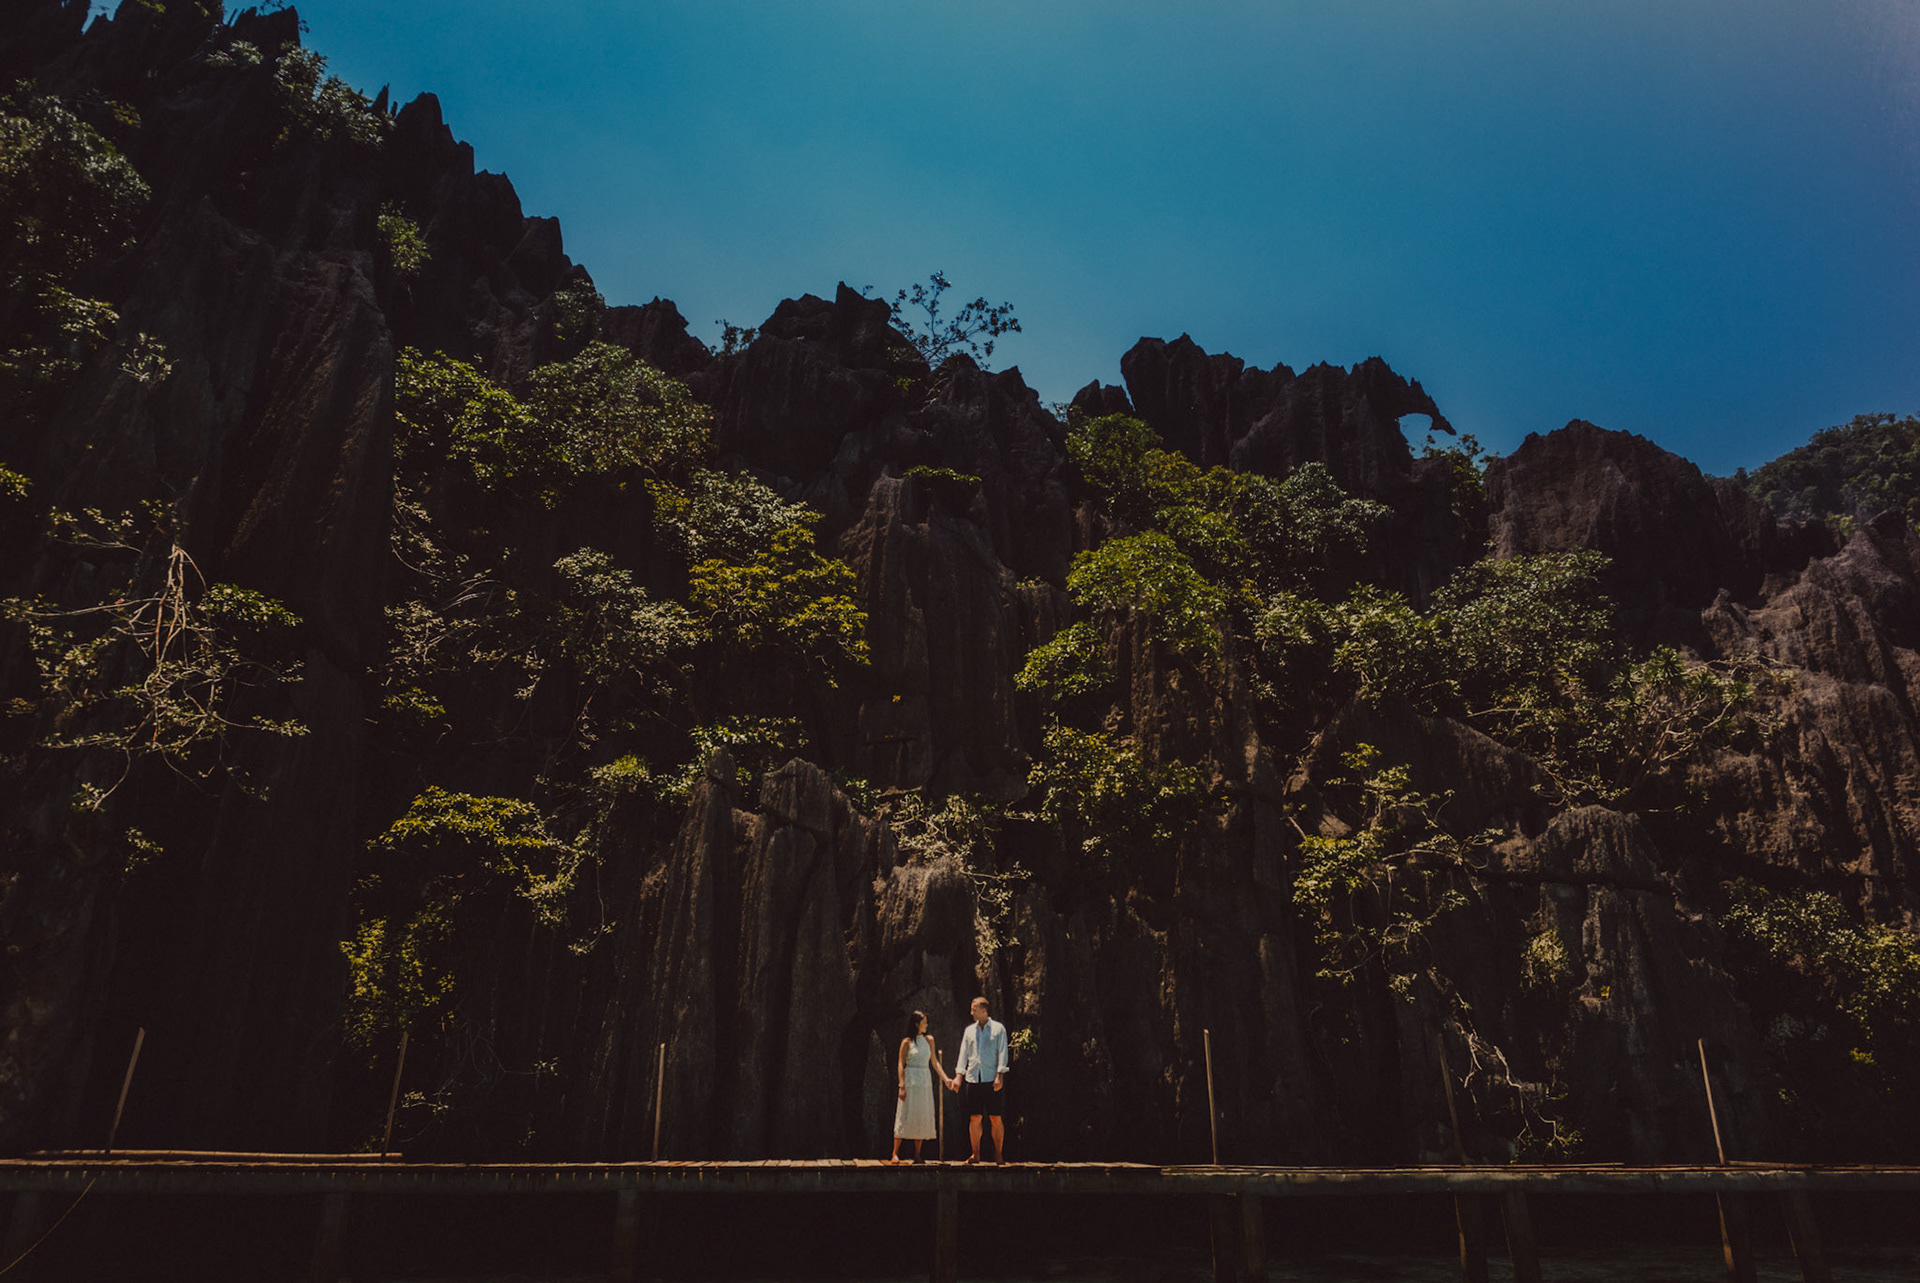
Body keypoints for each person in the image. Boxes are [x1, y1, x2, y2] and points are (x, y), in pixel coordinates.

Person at [947, 995, 1009, 1164]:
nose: (971, 1012)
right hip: (973, 1079)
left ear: (983, 1010)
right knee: (975, 1118)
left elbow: (1002, 1053)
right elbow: (963, 1054)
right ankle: (976, 1154)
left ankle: (998, 1153)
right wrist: (959, 1076)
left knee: (995, 1117)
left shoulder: (998, 1029)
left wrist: (999, 1075)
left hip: (991, 1078)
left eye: (974, 1009)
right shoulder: (969, 1031)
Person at [889, 1010, 952, 1163]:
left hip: (924, 1079)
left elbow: (935, 1062)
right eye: (924, 1022)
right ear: (916, 1024)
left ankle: (918, 1154)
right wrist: (901, 1085)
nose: (926, 1025)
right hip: (911, 1078)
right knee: (905, 1112)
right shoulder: (906, 1042)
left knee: (922, 1113)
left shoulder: (929, 1040)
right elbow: (900, 1063)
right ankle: (895, 1153)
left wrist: (946, 1079)